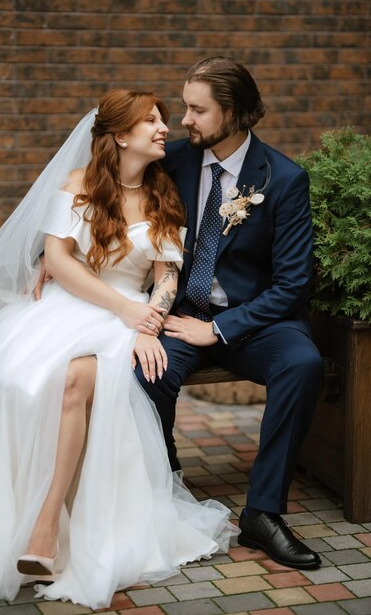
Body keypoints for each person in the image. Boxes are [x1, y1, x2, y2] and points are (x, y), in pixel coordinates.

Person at [0, 90, 236, 609]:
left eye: (161, 120)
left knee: (78, 378)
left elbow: (166, 275)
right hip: (70, 304)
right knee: (29, 378)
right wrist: (124, 310)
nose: (161, 128)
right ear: (120, 135)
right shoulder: (76, 185)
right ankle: (21, 519)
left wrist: (147, 321)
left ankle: (45, 527)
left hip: (127, 315)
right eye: (149, 121)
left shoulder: (163, 196)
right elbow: (58, 262)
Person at [134, 57, 323, 570]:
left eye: (197, 110)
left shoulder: (283, 179)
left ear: (234, 112)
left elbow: (292, 285)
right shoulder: (168, 159)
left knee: (302, 363)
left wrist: (218, 328)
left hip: (256, 322)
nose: (184, 120)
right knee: (146, 370)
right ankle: (166, 490)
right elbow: (99, 192)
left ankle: (262, 514)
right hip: (179, 313)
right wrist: (50, 257)